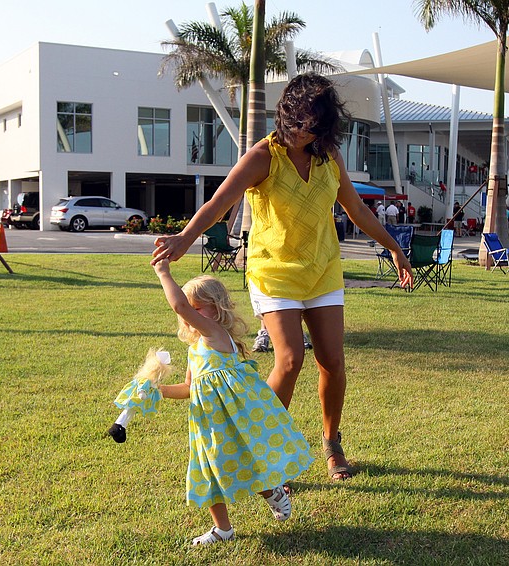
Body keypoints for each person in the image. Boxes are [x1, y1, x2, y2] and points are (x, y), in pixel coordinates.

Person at [152, 73, 413, 481]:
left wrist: (394, 247)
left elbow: (358, 211)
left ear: (324, 125)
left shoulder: (329, 159)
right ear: (286, 114)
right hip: (273, 271)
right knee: (290, 359)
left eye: (310, 124)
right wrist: (185, 238)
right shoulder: (263, 156)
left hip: (323, 269)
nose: (299, 131)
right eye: (295, 121)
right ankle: (264, 452)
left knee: (332, 361)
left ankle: (331, 443)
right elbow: (220, 203)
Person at [152, 270, 313, 546]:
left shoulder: (215, 334)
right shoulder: (195, 349)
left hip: (233, 421)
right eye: (189, 309)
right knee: (209, 470)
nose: (188, 313)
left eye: (196, 308)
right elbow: (190, 388)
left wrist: (163, 271)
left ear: (216, 310)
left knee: (247, 461)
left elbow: (178, 304)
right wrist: (159, 392)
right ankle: (222, 529)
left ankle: (272, 492)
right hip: (207, 422)